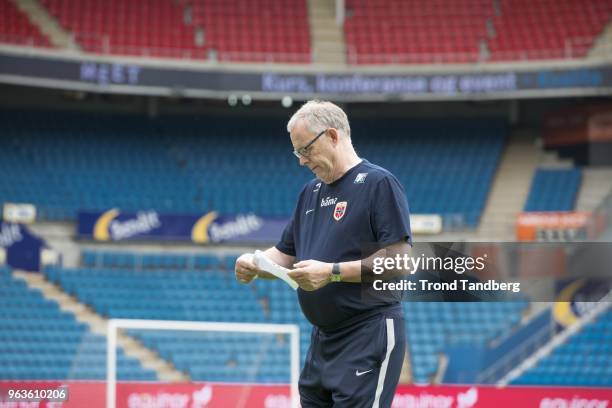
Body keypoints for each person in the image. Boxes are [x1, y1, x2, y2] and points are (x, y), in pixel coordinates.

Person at [234, 100, 412, 407]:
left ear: (332, 136)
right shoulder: (310, 192)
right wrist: (254, 262)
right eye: (297, 153)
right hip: (322, 339)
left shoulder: (378, 183)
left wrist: (331, 272)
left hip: (367, 332)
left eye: (306, 150)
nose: (301, 161)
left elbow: (401, 259)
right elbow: (285, 253)